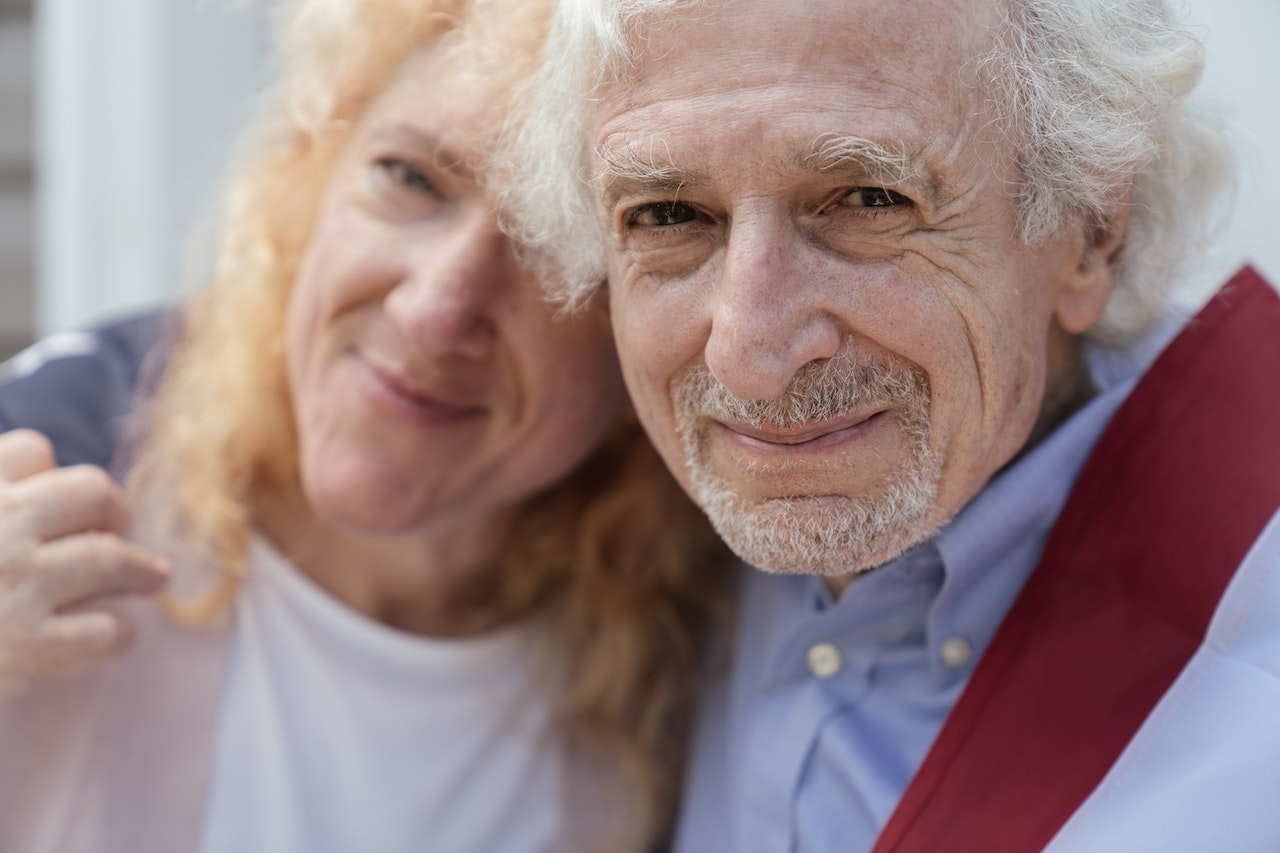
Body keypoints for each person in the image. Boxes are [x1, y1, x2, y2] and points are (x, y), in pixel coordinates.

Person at [498, 0, 1280, 850]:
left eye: (869, 200)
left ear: (1091, 231)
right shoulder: (602, 544)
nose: (749, 356)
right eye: (667, 216)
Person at [0, 0, 731, 850]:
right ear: (313, 173)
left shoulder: (717, 627)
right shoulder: (54, 446)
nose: (434, 310)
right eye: (411, 178)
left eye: (554, 249)